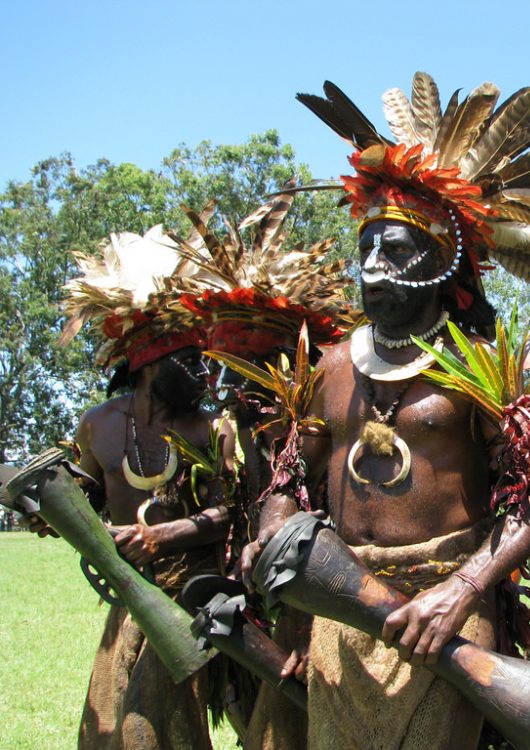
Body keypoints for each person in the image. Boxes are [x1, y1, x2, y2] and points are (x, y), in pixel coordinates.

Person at [242, 71, 530, 750]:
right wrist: (274, 533)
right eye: (366, 247)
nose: (373, 264)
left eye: (396, 248)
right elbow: (290, 476)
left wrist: (463, 590)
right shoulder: (332, 366)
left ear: (441, 262)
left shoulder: (482, 366)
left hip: (445, 612)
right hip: (341, 604)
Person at [174, 188, 359, 750]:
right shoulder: (238, 430)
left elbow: (344, 529)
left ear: (280, 363)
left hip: (322, 616)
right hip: (262, 613)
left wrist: (313, 631)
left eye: (243, 369)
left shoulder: (318, 418)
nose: (227, 387)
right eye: (219, 369)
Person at [56, 226, 236, 750]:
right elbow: (83, 500)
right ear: (146, 362)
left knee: (154, 718)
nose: (205, 372)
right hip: (128, 590)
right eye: (191, 360)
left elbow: (228, 514)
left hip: (194, 593)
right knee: (108, 717)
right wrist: (56, 515)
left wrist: (163, 538)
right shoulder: (99, 425)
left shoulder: (210, 428)